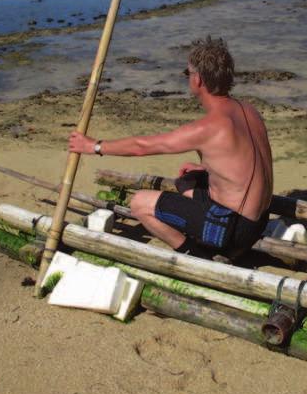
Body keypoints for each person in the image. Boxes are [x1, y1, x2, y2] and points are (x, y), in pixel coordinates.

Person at [68, 36, 273, 258]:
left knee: (139, 203)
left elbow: (142, 146)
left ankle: (198, 257)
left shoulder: (208, 127)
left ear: (198, 80)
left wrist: (95, 146)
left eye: (188, 73)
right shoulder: (250, 111)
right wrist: (207, 168)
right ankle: (205, 232)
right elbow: (245, 159)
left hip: (231, 232)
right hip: (258, 221)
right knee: (185, 181)